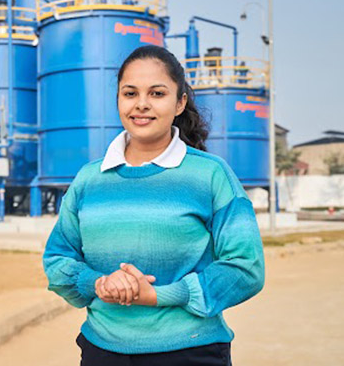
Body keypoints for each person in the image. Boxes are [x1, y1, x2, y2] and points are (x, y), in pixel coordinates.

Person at [42, 45, 266, 366]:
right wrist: (99, 283)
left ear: (180, 103)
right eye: (130, 93)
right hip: (102, 351)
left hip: (190, 352)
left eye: (157, 93)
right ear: (118, 100)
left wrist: (161, 295)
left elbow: (246, 267)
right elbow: (57, 258)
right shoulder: (89, 179)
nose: (141, 104)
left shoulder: (210, 174)